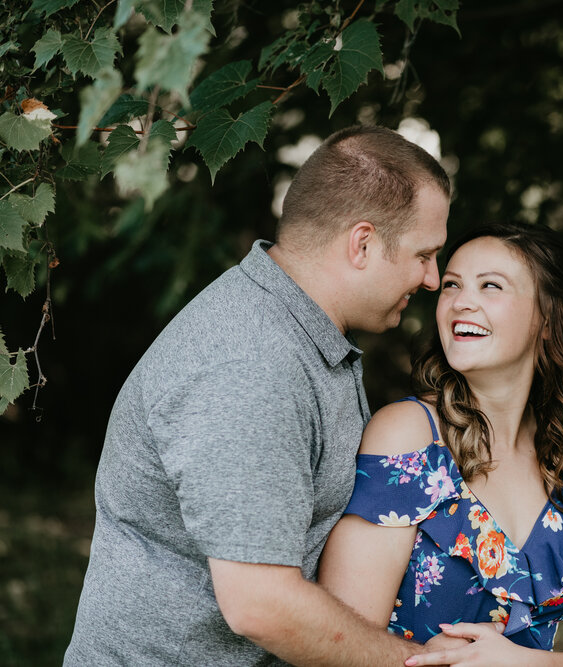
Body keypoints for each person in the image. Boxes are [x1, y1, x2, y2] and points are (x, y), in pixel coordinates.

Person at [64, 125, 453, 666]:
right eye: (424, 254)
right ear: (362, 243)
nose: (433, 279)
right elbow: (260, 604)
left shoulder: (300, 334)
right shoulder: (250, 364)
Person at [318, 222, 563, 666]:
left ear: (547, 321)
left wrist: (527, 663)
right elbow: (337, 645)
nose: (460, 302)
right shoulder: (409, 437)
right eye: (451, 285)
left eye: (491, 286)